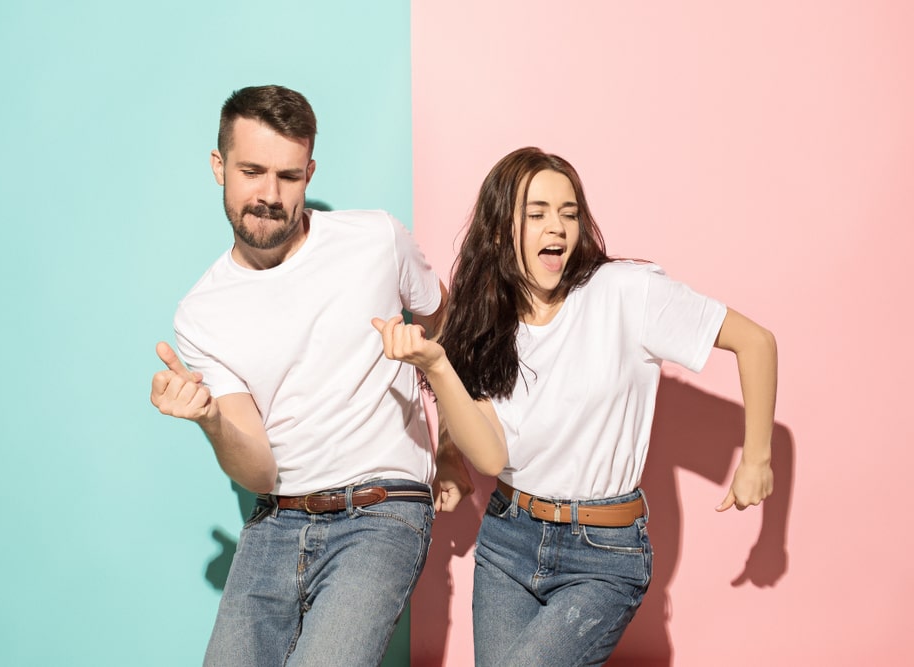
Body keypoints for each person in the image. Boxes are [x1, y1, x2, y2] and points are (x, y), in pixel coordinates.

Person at [373, 146, 777, 666]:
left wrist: (757, 460)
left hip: (603, 556)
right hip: (507, 542)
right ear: (500, 231)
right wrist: (437, 365)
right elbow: (492, 459)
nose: (557, 228)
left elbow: (757, 342)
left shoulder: (625, 293)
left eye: (568, 214)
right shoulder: (489, 326)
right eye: (536, 214)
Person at [150, 85, 469, 667]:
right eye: (251, 171)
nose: (269, 195)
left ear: (310, 171)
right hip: (276, 520)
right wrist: (210, 419)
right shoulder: (201, 312)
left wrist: (449, 444)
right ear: (219, 167)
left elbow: (444, 331)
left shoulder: (375, 239)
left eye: (289, 176)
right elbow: (259, 468)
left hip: (383, 511)